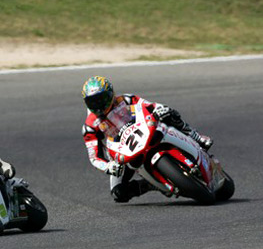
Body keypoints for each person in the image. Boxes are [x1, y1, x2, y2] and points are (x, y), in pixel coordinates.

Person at [81, 76, 213, 203]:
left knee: (168, 113)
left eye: (101, 99)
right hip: (123, 154)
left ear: (111, 94)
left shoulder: (126, 99)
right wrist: (109, 166)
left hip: (144, 130)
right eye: (93, 102)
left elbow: (150, 105)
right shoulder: (90, 127)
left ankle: (196, 136)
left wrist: (159, 108)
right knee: (118, 193)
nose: (99, 105)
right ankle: (152, 184)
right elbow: (94, 157)